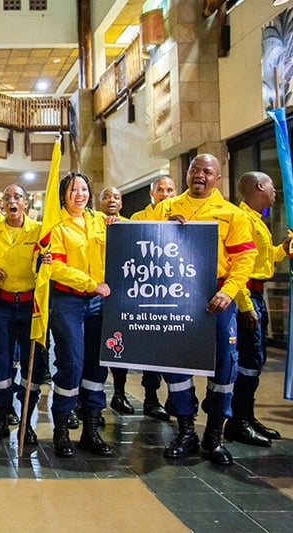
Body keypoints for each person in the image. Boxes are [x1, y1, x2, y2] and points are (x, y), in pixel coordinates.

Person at [152, 154, 257, 465]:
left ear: (218, 178)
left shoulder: (232, 215)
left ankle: (213, 433)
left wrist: (229, 293)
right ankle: (186, 429)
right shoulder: (165, 208)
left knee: (225, 365)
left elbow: (244, 260)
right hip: (176, 297)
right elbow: (143, 244)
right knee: (175, 363)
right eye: (194, 170)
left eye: (207, 172)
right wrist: (164, 230)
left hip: (217, 299)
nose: (199, 175)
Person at [49, 173, 113, 458]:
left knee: (97, 367)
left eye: (84, 189)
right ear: (64, 193)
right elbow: (56, 268)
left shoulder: (100, 221)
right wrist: (91, 284)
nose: (80, 194)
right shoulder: (55, 225)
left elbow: (132, 242)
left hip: (98, 304)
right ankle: (61, 429)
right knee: (71, 363)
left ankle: (91, 430)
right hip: (68, 301)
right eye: (74, 189)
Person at [224, 171, 288, 447]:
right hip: (247, 298)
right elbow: (239, 269)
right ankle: (238, 422)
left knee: (256, 360)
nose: (275, 192)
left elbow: (262, 261)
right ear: (259, 187)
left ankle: (247, 417)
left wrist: (283, 249)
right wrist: (246, 306)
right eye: (272, 187)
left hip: (257, 295)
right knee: (249, 361)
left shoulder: (257, 220)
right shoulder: (243, 221)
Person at [0, 184, 43, 444]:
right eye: (7, 198)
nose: (12, 201)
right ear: (1, 205)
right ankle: (1, 420)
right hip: (2, 305)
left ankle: (27, 422)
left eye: (18, 197)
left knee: (32, 364)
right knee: (1, 364)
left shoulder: (38, 231)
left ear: (26, 203)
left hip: (31, 306)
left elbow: (45, 262)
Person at [129, 176, 177, 421]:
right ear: (151, 193)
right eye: (160, 190)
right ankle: (150, 397)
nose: (165, 194)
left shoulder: (181, 217)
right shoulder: (138, 219)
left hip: (174, 295)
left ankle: (175, 399)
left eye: (170, 190)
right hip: (146, 293)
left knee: (173, 350)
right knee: (150, 349)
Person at [98, 187, 135, 417]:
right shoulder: (92, 223)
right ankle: (90, 400)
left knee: (119, 348)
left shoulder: (130, 226)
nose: (111, 200)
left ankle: (119, 394)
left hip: (121, 296)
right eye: (106, 196)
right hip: (95, 293)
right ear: (99, 201)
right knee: (94, 349)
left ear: (121, 203)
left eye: (116, 197)